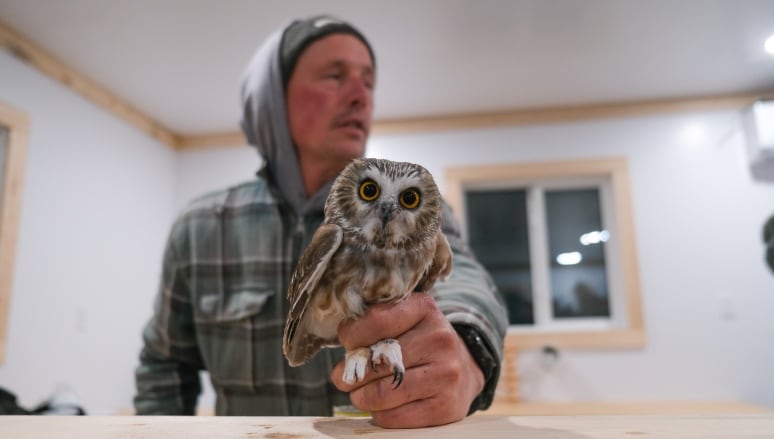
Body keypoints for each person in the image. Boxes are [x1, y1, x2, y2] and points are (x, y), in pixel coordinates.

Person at [133, 14, 508, 428]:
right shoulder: (202, 225)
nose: (360, 97)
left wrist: (467, 350)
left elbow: (468, 283)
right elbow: (164, 365)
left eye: (368, 82)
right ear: (273, 98)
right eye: (334, 76)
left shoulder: (412, 210)